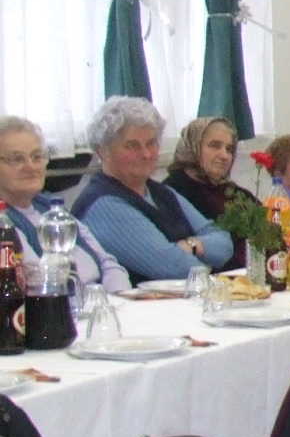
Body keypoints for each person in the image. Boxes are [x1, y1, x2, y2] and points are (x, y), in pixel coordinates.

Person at [73, 98, 231, 281]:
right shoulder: (103, 204)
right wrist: (202, 255)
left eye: (151, 143)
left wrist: (191, 245)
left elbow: (224, 242)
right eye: (132, 145)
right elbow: (175, 267)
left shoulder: (161, 192)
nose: (146, 154)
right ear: (103, 151)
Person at [0, 116, 127, 293]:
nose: (31, 166)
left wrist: (117, 298)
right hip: (63, 305)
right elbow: (39, 282)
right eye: (17, 159)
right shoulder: (4, 222)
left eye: (37, 157)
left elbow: (108, 263)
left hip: (101, 301)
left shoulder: (50, 206)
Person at [165, 117, 265, 269]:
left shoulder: (235, 193)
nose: (224, 155)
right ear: (193, 146)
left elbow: (270, 235)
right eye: (215, 146)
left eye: (229, 149)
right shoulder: (170, 193)